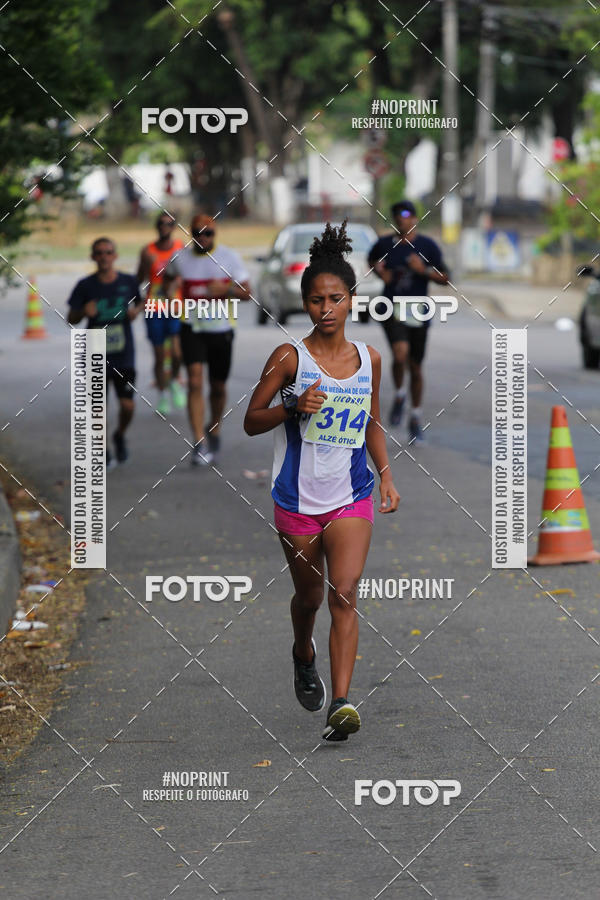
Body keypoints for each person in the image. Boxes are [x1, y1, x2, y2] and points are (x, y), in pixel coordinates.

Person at [244, 222, 400, 742]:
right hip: (297, 501)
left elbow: (372, 423)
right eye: (316, 300)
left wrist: (386, 476)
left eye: (335, 298)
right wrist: (292, 404)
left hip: (351, 495)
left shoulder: (368, 360)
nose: (326, 308)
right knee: (309, 598)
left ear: (352, 299)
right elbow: (250, 418)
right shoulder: (291, 358)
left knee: (346, 592)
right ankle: (301, 651)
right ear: (305, 304)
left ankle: (342, 703)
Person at [163, 214, 251, 466]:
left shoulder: (229, 257)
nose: (202, 237)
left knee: (218, 387)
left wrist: (226, 289)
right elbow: (167, 277)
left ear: (215, 232)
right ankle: (199, 440)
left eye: (208, 233)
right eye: (197, 233)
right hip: (191, 328)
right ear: (190, 233)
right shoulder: (180, 259)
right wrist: (170, 294)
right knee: (194, 381)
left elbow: (248, 293)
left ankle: (215, 428)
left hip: (221, 330)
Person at [367, 200, 449, 443]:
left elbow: (445, 277)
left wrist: (423, 270)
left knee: (415, 366)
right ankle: (400, 394)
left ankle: (415, 415)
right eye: (398, 216)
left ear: (415, 218)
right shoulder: (384, 244)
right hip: (391, 308)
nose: (404, 220)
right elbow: (372, 260)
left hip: (418, 311)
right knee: (399, 353)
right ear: (393, 220)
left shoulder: (427, 246)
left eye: (408, 215)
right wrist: (380, 271)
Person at [68, 237, 144, 467]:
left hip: (124, 354)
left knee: (127, 405)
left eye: (108, 252)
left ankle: (119, 435)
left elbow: (141, 302)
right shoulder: (85, 286)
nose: (104, 256)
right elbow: (71, 318)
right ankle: (103, 450)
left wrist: (135, 312)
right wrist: (82, 311)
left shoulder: (129, 282)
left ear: (115, 255)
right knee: (98, 407)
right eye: (99, 252)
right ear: (93, 256)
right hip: (95, 352)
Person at [137, 214, 185, 415]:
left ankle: (174, 379)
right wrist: (135, 302)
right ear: (156, 227)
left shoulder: (181, 249)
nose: (164, 227)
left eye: (169, 224)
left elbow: (187, 275)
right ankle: (163, 393)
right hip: (154, 307)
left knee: (176, 353)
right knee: (158, 355)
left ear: (174, 227)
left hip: (175, 307)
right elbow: (139, 278)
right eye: (161, 224)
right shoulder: (148, 252)